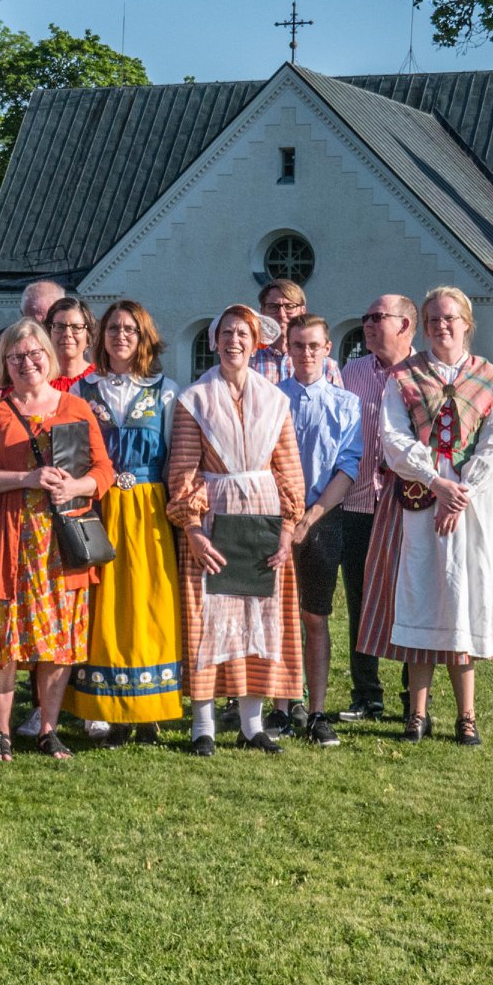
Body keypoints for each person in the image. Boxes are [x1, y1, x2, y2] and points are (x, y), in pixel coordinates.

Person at [359, 286, 493, 746]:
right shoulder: (404, 377)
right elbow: (394, 439)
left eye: (449, 318)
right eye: (432, 320)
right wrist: (437, 483)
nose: (441, 326)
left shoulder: (491, 380)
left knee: (464, 596)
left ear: (467, 323)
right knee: (420, 592)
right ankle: (418, 714)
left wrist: (461, 491)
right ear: (422, 326)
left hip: (471, 503)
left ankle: (466, 715)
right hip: (417, 497)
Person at [0, 320, 114, 761]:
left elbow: (103, 471)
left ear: (49, 357)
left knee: (60, 637)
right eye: (16, 357)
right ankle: (1, 731)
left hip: (62, 541)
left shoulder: (76, 408)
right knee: (1, 637)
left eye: (35, 355)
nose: (27, 364)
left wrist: (77, 488)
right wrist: (26, 478)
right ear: (4, 365)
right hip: (8, 542)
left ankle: (49, 728)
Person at [166, 304, 306, 756]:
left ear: (256, 340)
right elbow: (184, 469)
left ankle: (252, 725)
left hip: (264, 517)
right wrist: (191, 528)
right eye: (226, 333)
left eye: (243, 333)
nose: (235, 341)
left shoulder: (275, 400)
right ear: (214, 341)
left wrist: (287, 529)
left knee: (257, 618)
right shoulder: (194, 399)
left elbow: (288, 469)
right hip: (214, 518)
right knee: (209, 619)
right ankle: (202, 726)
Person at [65, 300, 184, 742]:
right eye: (113, 328)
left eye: (130, 329)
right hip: (100, 505)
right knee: (105, 608)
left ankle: (149, 710)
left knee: (150, 604)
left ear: (144, 337)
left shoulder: (166, 390)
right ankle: (109, 709)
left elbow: (174, 454)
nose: (121, 336)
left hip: (149, 508)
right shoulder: (83, 390)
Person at [275, 314, 363, 747]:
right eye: (298, 346)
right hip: (275, 519)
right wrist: (287, 517)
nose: (306, 353)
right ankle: (279, 705)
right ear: (287, 350)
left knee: (315, 615)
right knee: (275, 615)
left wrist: (310, 517)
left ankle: (317, 711)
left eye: (314, 346)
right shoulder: (271, 399)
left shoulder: (346, 405)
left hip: (324, 518)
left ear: (328, 350)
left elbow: (347, 467)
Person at [336, 294, 418, 723]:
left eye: (377, 317)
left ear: (405, 325)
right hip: (358, 503)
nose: (367, 324)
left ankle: (413, 701)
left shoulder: (423, 375)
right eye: (366, 316)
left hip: (409, 507)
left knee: (409, 600)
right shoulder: (352, 371)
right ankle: (366, 695)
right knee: (360, 602)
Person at [251, 279, 342, 385]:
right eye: (273, 307)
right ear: (262, 312)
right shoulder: (249, 360)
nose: (281, 314)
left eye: (289, 307)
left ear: (302, 311)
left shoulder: (325, 366)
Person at [44, 297, 97, 393]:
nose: (67, 333)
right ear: (49, 333)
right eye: (60, 327)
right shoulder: (38, 382)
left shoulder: (100, 378)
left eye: (76, 327)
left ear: (88, 336)